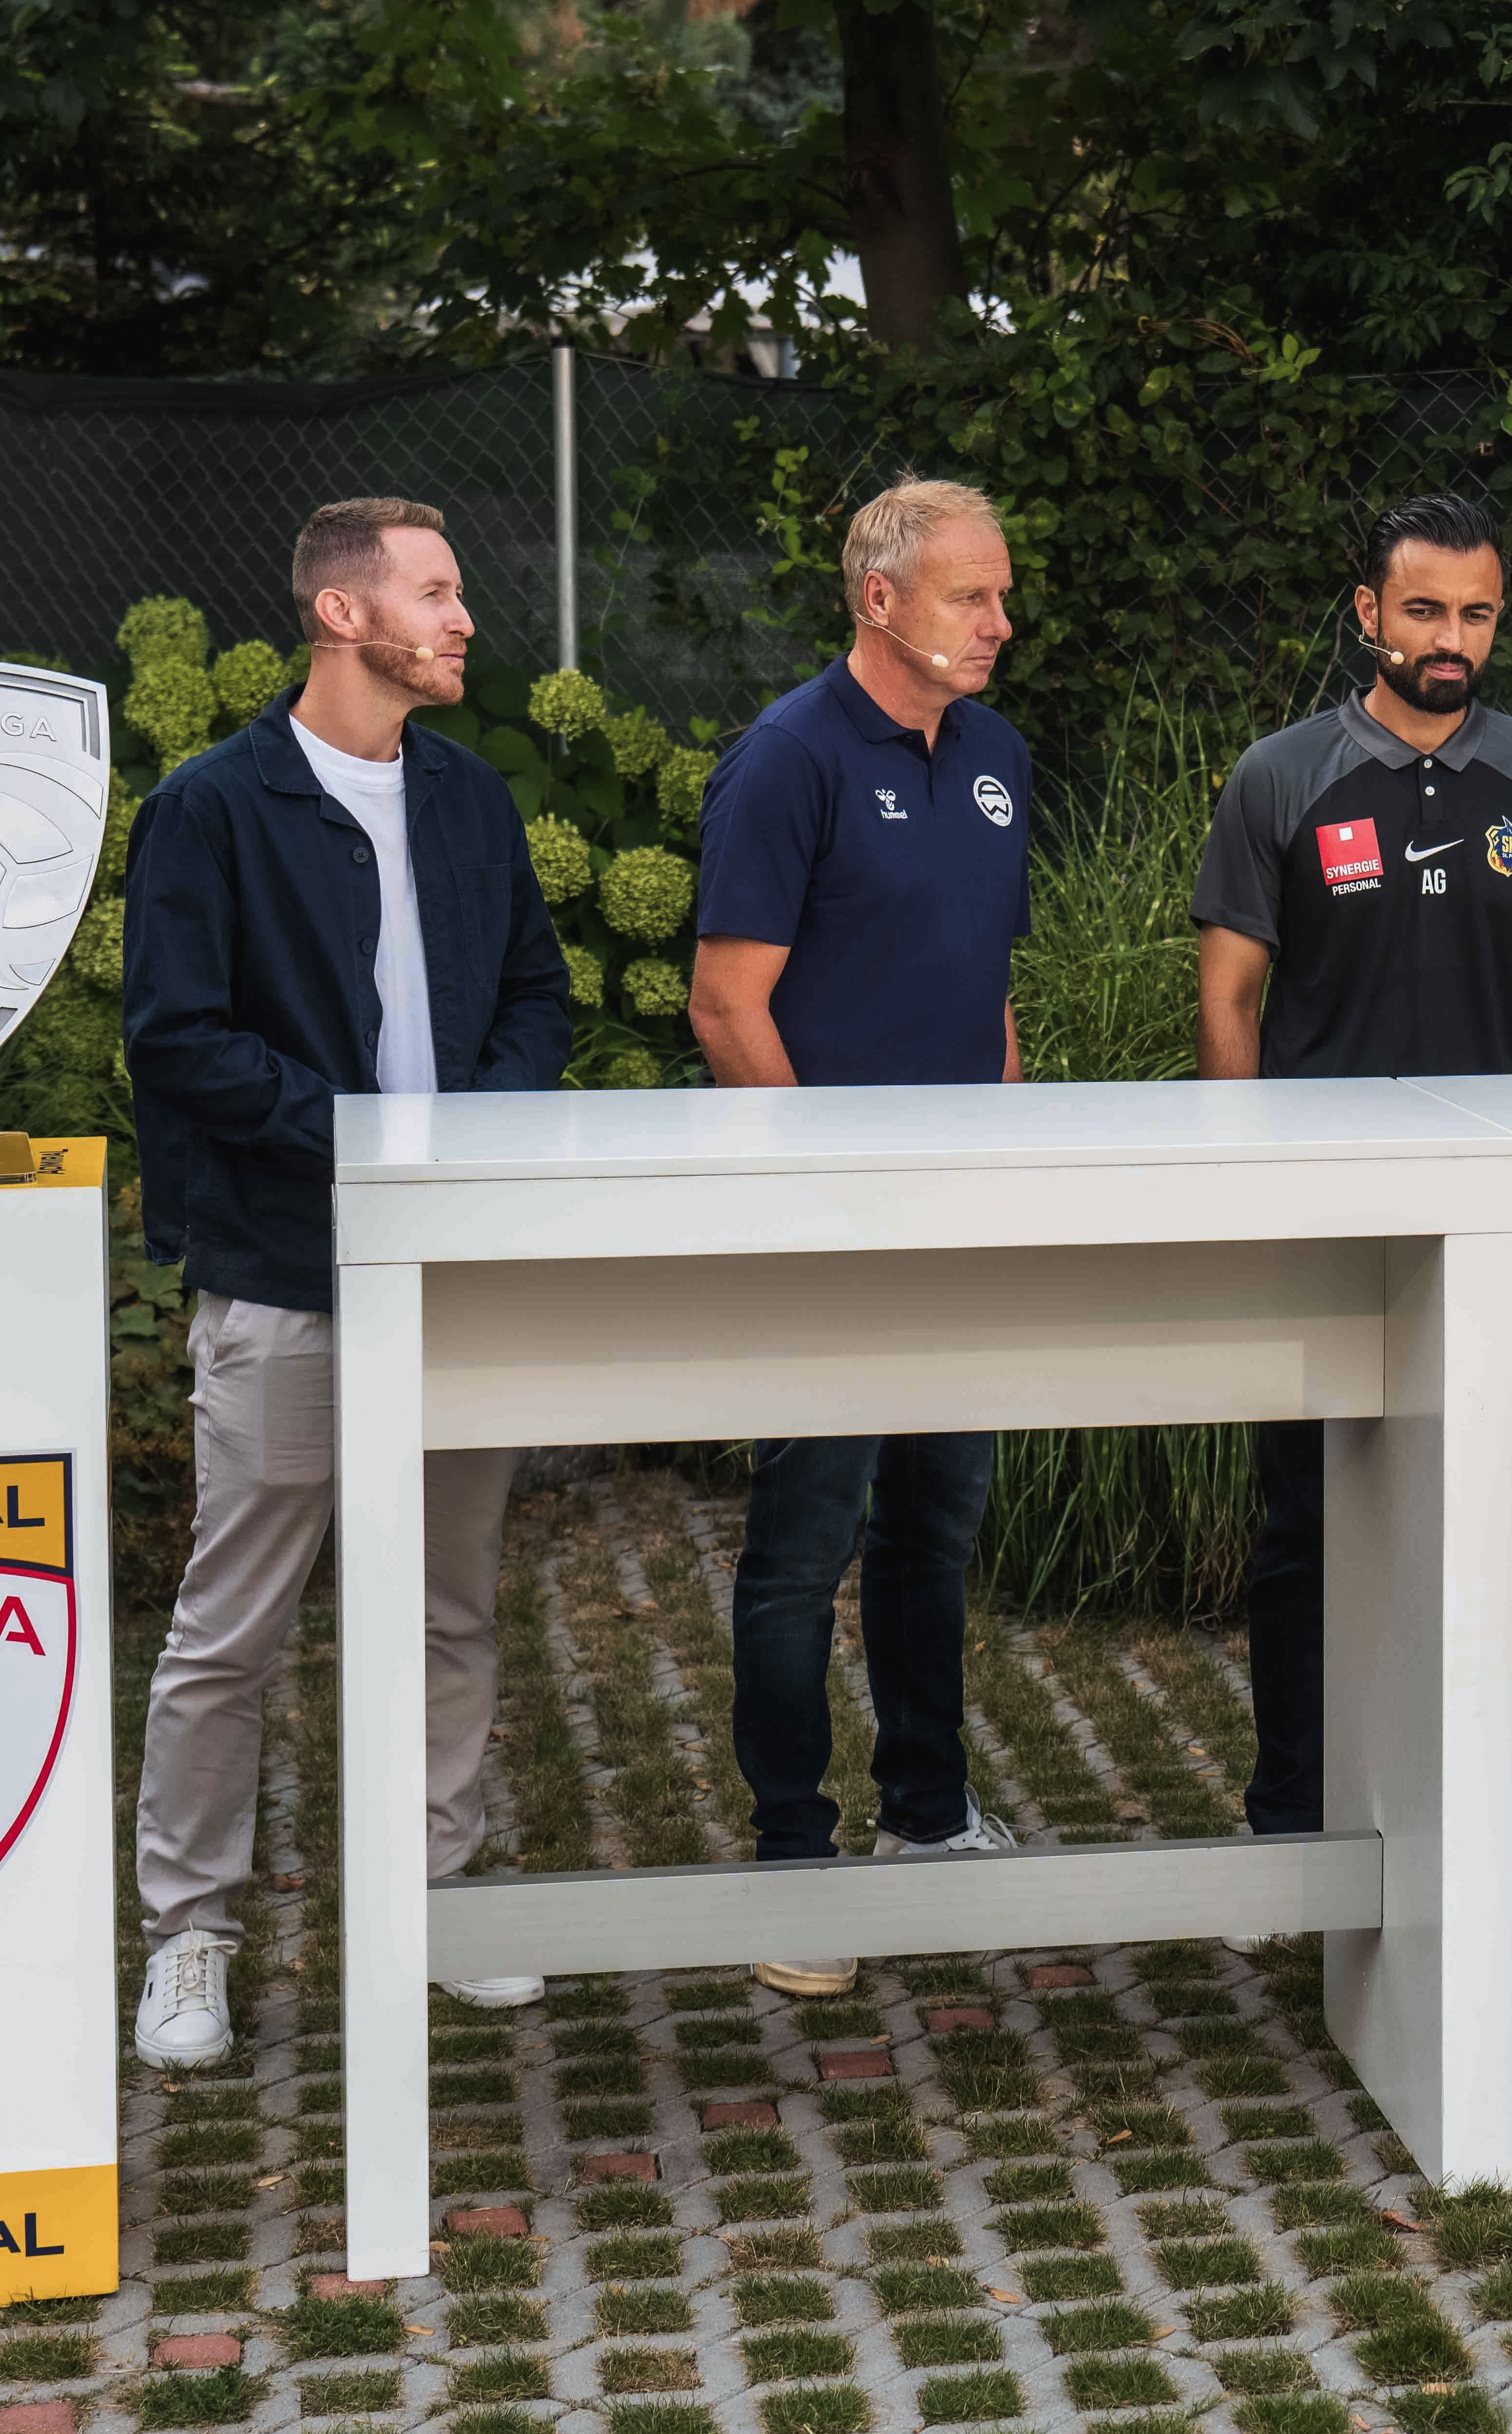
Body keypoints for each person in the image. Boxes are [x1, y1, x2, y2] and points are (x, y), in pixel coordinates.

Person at [120, 497, 581, 2070]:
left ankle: (432, 1895)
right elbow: (177, 1039)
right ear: (343, 616)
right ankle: (190, 1934)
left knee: (448, 1608)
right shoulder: (213, 808)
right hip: (287, 1274)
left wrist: (475, 1141)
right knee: (231, 1624)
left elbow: (534, 992)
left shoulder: (467, 800)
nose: (464, 623)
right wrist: (363, 1146)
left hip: (454, 1269)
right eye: (438, 594)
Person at [1194, 491, 1512, 1844]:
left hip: (1501, 1227)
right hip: (1328, 1221)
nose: (1450, 636)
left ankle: (1481, 1815)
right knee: (1307, 1532)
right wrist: (1252, 1190)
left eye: (1477, 612)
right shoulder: (1283, 778)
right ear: (1367, 613)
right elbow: (1231, 1003)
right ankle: (1294, 1816)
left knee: (1497, 1525)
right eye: (1423, 608)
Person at [690, 476, 1035, 1995]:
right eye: (975, 598)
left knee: (934, 1532)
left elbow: (986, 986)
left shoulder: (998, 756)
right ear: (881, 601)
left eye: (1003, 596)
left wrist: (1005, 1154)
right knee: (801, 1546)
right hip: (828, 1235)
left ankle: (929, 1816)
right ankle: (789, 1864)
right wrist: (823, 1210)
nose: (1002, 623)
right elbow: (726, 1004)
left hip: (958, 1227)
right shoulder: (788, 759)